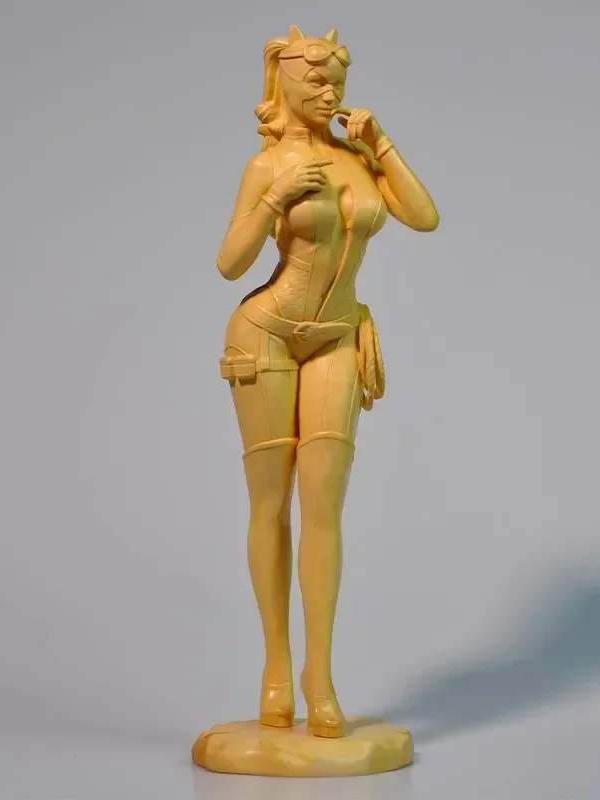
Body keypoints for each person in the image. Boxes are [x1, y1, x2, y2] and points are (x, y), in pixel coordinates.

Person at [216, 24, 439, 739]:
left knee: (323, 507)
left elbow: (424, 217)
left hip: (338, 336)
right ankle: (276, 670)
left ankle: (320, 676)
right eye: (315, 79)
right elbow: (229, 263)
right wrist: (275, 198)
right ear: (284, 83)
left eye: (337, 81)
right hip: (266, 334)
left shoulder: (357, 158)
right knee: (269, 502)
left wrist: (382, 143)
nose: (329, 91)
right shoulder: (265, 165)